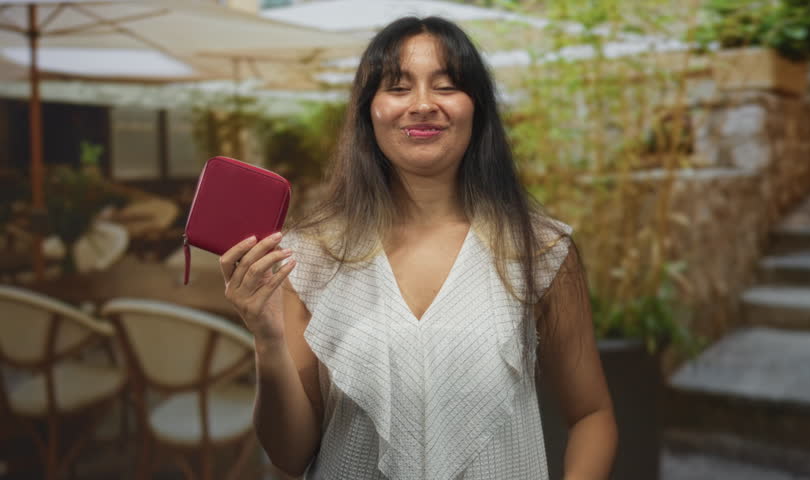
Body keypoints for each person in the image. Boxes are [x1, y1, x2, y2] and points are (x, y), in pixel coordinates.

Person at [219, 16, 617, 480]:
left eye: (446, 86)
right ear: (369, 110)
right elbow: (289, 454)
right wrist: (267, 340)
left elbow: (592, 416)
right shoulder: (311, 258)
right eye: (398, 87)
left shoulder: (540, 251)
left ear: (477, 108)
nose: (424, 105)